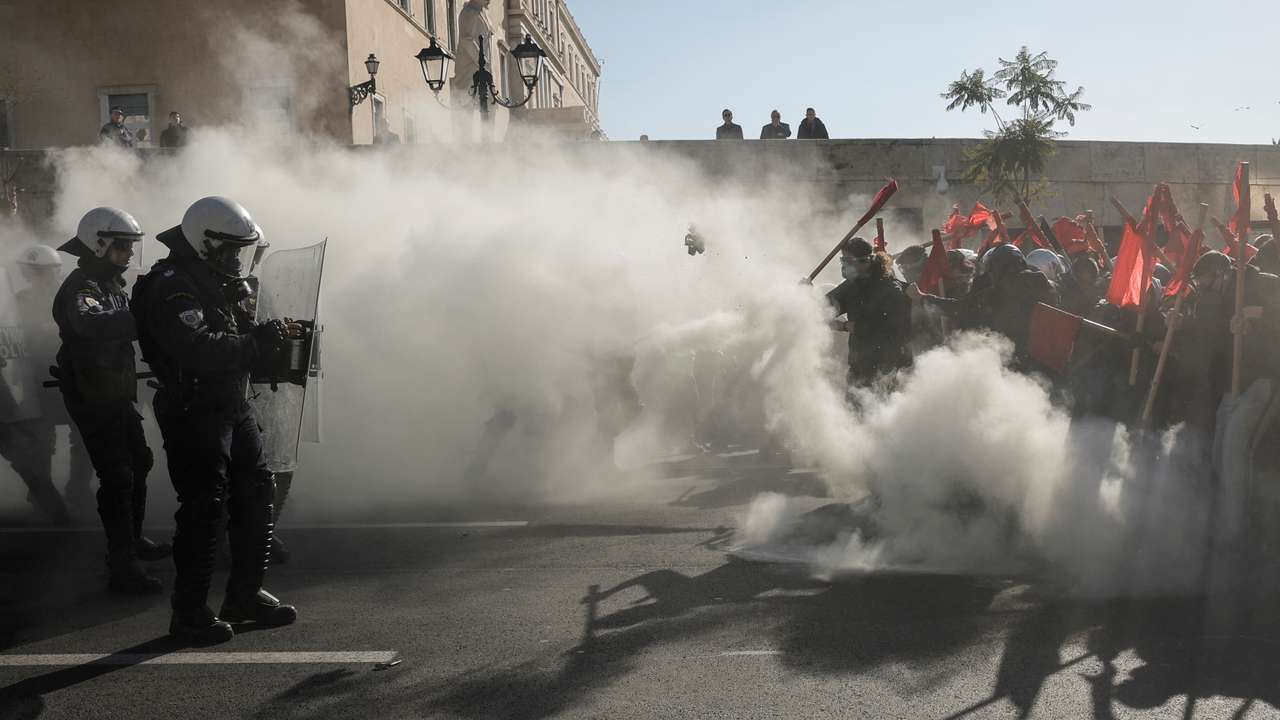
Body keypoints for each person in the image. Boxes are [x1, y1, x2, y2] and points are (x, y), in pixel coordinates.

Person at [133, 196, 298, 643]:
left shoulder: (212, 281)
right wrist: (254, 341)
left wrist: (271, 335)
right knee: (205, 510)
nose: (236, 259)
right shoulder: (171, 285)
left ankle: (243, 595)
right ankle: (189, 612)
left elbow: (233, 336)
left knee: (256, 493)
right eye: (229, 249)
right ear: (204, 243)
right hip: (194, 409)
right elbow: (199, 349)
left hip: (229, 402)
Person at [53, 208, 170, 594]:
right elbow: (91, 324)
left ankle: (132, 540)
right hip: (92, 394)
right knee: (118, 475)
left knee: (140, 461)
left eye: (130, 247)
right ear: (98, 244)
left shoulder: (112, 284)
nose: (127, 254)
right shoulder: (81, 286)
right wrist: (146, 315)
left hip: (114, 390)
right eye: (121, 247)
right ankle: (122, 563)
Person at [909, 244, 1058, 360]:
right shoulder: (1046, 284)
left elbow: (960, 308)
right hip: (1045, 358)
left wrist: (922, 297)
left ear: (997, 267)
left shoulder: (998, 291)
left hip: (1013, 359)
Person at [827, 238, 912, 389]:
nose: (844, 264)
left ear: (864, 261)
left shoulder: (890, 288)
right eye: (842, 259)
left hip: (887, 366)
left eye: (847, 260)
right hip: (859, 366)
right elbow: (825, 307)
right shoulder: (852, 286)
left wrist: (853, 327)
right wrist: (806, 295)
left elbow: (900, 329)